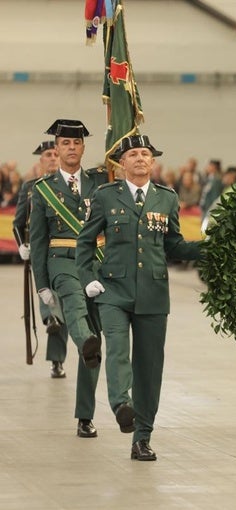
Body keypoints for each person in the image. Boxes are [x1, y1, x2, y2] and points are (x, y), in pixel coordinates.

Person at [77, 134, 203, 461]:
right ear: (122, 164)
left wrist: (208, 248)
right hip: (113, 291)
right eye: (133, 154)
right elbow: (85, 242)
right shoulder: (106, 196)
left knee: (149, 368)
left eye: (145, 154)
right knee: (117, 348)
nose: (140, 159)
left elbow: (173, 245)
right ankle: (121, 404)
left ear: (153, 162)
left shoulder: (166, 198)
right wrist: (88, 278)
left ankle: (142, 437)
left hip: (153, 293)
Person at [29, 119, 106, 437]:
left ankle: (85, 416)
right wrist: (42, 284)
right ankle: (82, 340)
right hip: (62, 263)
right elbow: (37, 239)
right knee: (74, 304)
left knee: (96, 343)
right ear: (56, 149)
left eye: (76, 143)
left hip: (98, 265)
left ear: (83, 148)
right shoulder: (43, 190)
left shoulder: (100, 183)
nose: (71, 148)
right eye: (65, 143)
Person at [14, 140, 68, 378]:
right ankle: (49, 318)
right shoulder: (30, 187)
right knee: (50, 297)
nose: (53, 158)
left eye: (56, 153)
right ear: (41, 160)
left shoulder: (71, 186)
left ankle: (57, 360)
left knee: (63, 306)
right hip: (40, 251)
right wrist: (21, 246)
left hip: (66, 252)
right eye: (49, 154)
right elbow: (18, 223)